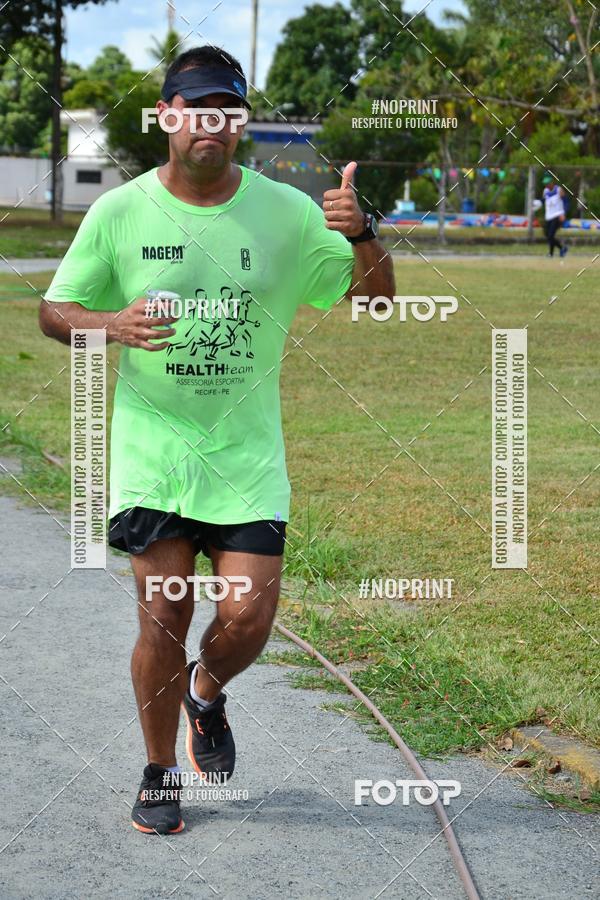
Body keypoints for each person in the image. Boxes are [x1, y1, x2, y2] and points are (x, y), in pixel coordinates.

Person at [39, 45, 395, 834]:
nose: (213, 122)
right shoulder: (120, 211)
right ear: (166, 115)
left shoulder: (289, 212)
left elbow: (375, 302)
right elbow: (55, 312)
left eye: (228, 109)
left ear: (241, 124)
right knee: (162, 617)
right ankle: (159, 772)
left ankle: (207, 689)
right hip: (152, 458)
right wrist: (111, 325)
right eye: (196, 106)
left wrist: (366, 231)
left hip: (246, 463)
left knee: (248, 618)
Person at [542, 174, 568, 258]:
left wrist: (563, 213)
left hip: (557, 215)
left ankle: (551, 253)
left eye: (547, 183)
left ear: (551, 182)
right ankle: (562, 248)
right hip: (548, 216)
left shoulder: (559, 190)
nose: (546, 185)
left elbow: (566, 201)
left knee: (550, 235)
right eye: (545, 183)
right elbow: (544, 201)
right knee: (547, 234)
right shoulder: (545, 191)